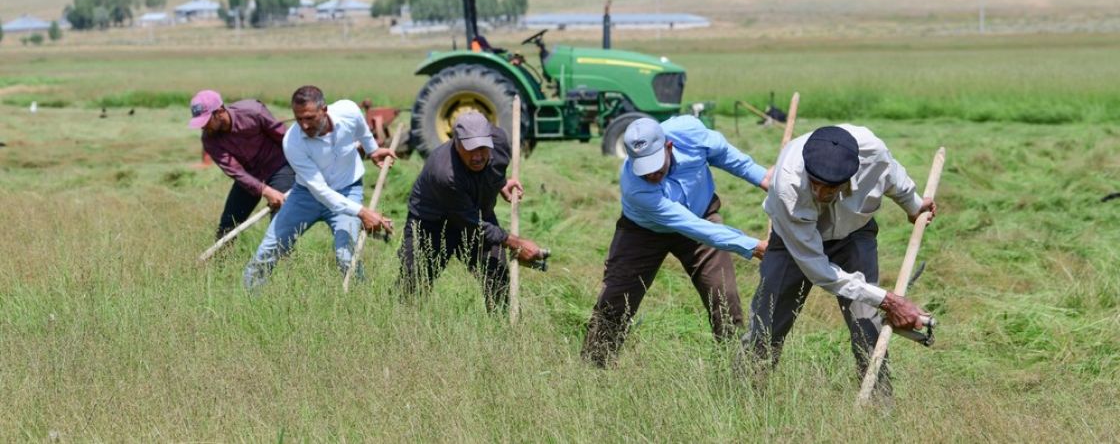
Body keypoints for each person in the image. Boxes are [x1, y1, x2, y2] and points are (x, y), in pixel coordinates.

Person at [741, 125, 936, 396]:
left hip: (854, 233)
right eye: (815, 184)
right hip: (794, 243)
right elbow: (820, 271)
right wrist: (889, 300)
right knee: (767, 325)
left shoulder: (872, 153)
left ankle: (880, 405)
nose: (821, 194)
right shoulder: (789, 185)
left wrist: (914, 206)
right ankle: (745, 397)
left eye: (830, 188)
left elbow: (891, 174)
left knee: (867, 324)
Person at [581, 116, 771, 367]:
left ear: (668, 147)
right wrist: (752, 245)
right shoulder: (635, 187)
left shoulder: (690, 133)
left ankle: (735, 367)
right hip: (643, 232)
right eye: (644, 169)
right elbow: (692, 227)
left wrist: (762, 178)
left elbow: (723, 153)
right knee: (616, 299)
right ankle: (596, 367)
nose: (651, 174)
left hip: (701, 212)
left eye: (656, 165)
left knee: (723, 296)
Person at [242, 86, 395, 289]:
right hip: (306, 196)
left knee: (346, 256)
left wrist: (372, 149)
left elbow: (361, 128)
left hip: (348, 190)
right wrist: (363, 213)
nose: (304, 125)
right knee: (268, 250)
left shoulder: (348, 111)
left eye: (310, 118)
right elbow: (320, 191)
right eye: (298, 119)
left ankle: (361, 302)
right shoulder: (292, 142)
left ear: (324, 109)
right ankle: (250, 300)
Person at [398, 112, 545, 311]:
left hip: (476, 211)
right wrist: (518, 244)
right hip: (432, 222)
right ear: (456, 143)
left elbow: (493, 172)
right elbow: (474, 225)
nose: (477, 156)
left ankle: (501, 330)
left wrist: (500, 184)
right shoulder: (445, 174)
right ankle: (404, 323)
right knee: (415, 282)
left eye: (483, 148)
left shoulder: (500, 143)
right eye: (470, 149)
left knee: (497, 273)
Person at [188, 90, 294, 241]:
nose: (203, 127)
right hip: (249, 177)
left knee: (280, 217)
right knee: (227, 226)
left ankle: (285, 262)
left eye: (205, 122)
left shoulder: (253, 112)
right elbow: (236, 172)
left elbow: (285, 139)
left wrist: (304, 165)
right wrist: (265, 190)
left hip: (279, 166)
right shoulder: (209, 141)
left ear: (219, 112)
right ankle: (221, 263)